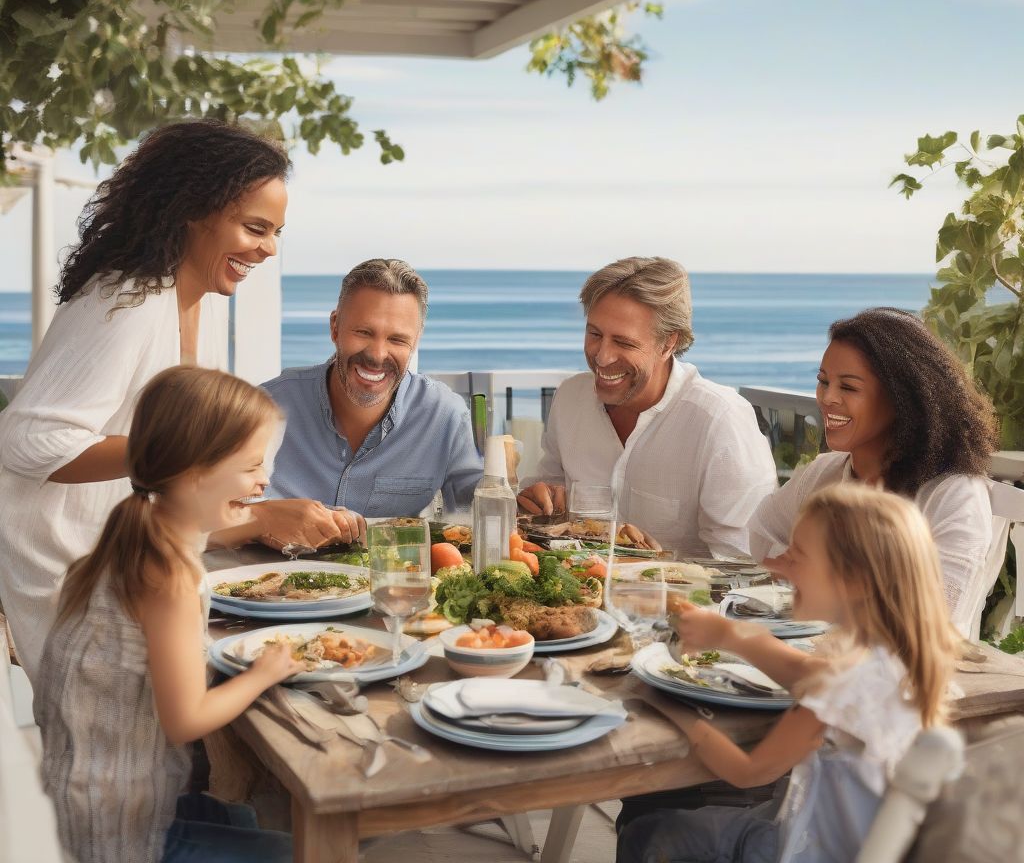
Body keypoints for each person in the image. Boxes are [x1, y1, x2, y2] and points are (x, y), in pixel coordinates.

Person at [0, 120, 347, 683]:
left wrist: (255, 517)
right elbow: (27, 441)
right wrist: (190, 456)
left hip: (136, 562)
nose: (269, 248)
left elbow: (167, 481)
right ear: (194, 209)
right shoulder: (126, 301)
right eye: (255, 227)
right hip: (79, 575)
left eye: (276, 231)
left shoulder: (204, 304)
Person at [33, 366, 302, 863]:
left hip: (84, 795)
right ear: (194, 474)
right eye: (251, 466)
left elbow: (204, 531)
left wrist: (245, 522)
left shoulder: (138, 530)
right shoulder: (169, 578)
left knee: (244, 816)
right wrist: (265, 672)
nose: (264, 480)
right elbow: (186, 721)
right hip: (116, 833)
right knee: (312, 853)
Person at [618, 483, 960, 863]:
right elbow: (806, 671)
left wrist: (659, 701)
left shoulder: (842, 685)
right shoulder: (897, 665)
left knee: (647, 833)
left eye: (796, 556)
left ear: (855, 581)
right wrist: (731, 635)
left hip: (795, 851)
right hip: (840, 844)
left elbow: (749, 772)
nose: (774, 564)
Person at [747, 307, 999, 638]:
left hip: (913, 681)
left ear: (902, 399)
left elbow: (933, 616)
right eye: (823, 382)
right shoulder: (823, 474)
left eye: (848, 388)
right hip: (819, 658)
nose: (827, 398)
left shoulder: (953, 494)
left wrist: (815, 579)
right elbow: (762, 533)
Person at [517, 257, 776, 558]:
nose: (602, 357)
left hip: (685, 603)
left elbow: (744, 563)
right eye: (595, 334)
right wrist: (538, 501)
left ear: (668, 344)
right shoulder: (570, 399)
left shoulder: (720, 421)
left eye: (623, 343)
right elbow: (549, 495)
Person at [261, 258, 482, 522]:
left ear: (415, 342)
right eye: (364, 332)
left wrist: (525, 502)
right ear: (335, 327)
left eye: (397, 339)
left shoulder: (445, 416)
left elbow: (479, 509)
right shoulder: (265, 408)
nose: (377, 355)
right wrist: (264, 520)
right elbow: (219, 512)